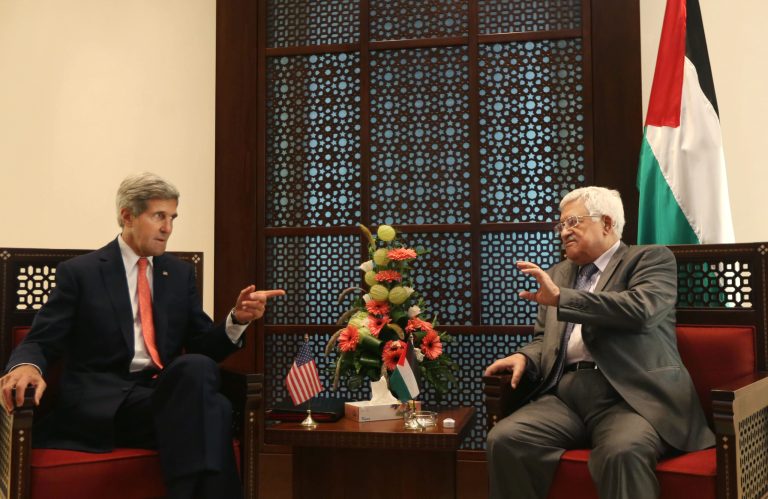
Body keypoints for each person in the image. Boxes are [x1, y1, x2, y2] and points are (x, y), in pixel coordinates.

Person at [1, 172, 284, 499]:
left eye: (173, 217)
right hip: (106, 404)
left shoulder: (178, 274)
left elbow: (204, 346)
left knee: (197, 367)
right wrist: (25, 367)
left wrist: (236, 320)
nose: (168, 228)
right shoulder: (81, 273)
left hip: (159, 396)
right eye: (159, 216)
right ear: (128, 216)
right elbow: (41, 338)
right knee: (216, 410)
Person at [484, 186, 713, 499]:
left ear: (606, 223)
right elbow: (544, 340)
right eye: (561, 225)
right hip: (566, 397)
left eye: (573, 222)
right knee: (506, 439)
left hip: (631, 398)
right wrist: (526, 357)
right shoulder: (559, 274)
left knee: (622, 452)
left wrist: (563, 298)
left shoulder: (649, 259)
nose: (563, 232)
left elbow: (641, 310)